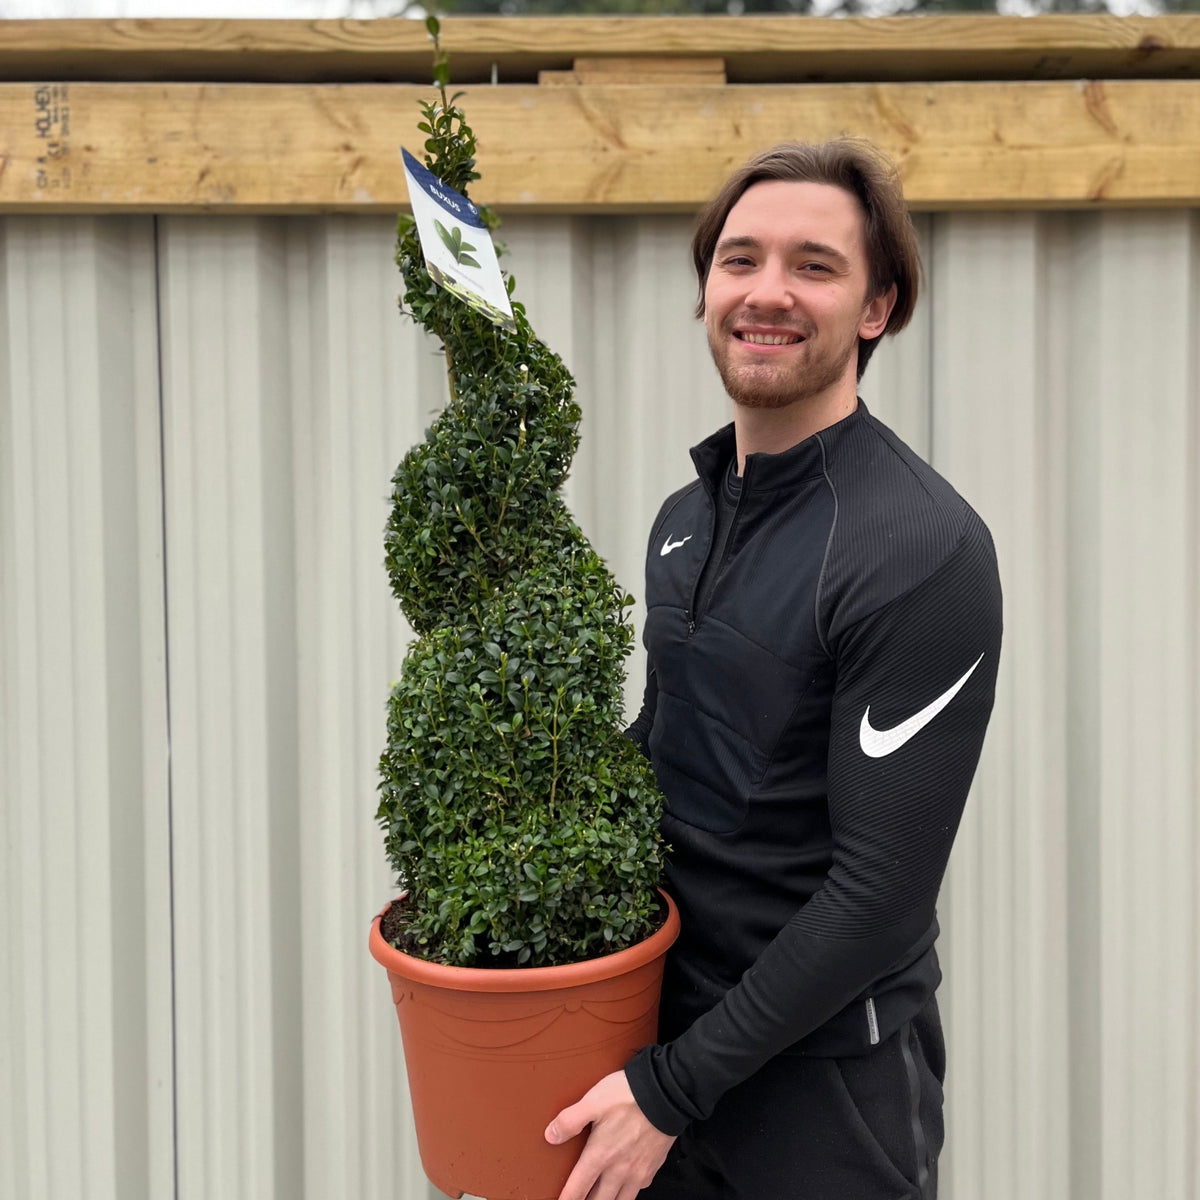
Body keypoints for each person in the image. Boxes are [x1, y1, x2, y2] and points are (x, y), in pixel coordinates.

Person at [544, 140, 1003, 1200]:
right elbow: (665, 769)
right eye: (740, 258)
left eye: (814, 265)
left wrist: (674, 1090)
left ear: (877, 307)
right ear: (706, 288)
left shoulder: (917, 548)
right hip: (656, 1063)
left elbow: (880, 896)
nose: (767, 292)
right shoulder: (684, 521)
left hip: (823, 1096)